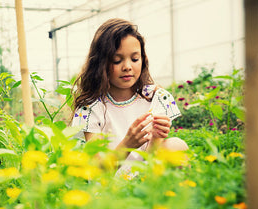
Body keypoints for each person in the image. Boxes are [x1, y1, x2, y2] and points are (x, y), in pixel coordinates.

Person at [71, 18, 188, 174]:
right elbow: (98, 170)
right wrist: (128, 143)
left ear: (143, 59)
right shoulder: (90, 107)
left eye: (134, 59)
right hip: (111, 187)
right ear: (101, 63)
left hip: (145, 179)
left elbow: (151, 159)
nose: (127, 67)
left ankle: (179, 194)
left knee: (175, 145)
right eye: (117, 60)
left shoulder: (154, 97)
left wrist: (155, 138)